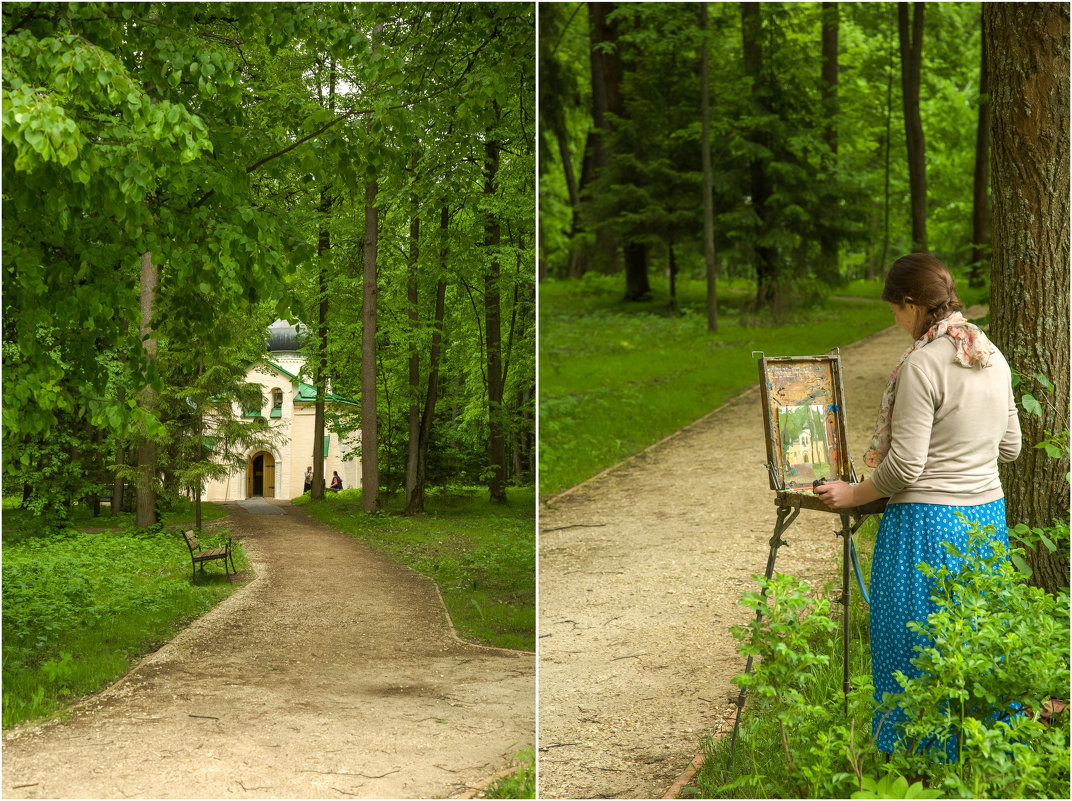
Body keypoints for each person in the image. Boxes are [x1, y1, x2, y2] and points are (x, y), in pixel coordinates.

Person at [814, 252, 1021, 756]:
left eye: (894, 311)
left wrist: (852, 494)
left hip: (926, 524)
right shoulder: (990, 354)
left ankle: (918, 756)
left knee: (912, 642)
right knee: (974, 640)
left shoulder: (923, 363)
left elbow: (905, 466)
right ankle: (979, 752)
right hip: (985, 522)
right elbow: (1011, 447)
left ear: (911, 304)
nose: (895, 322)